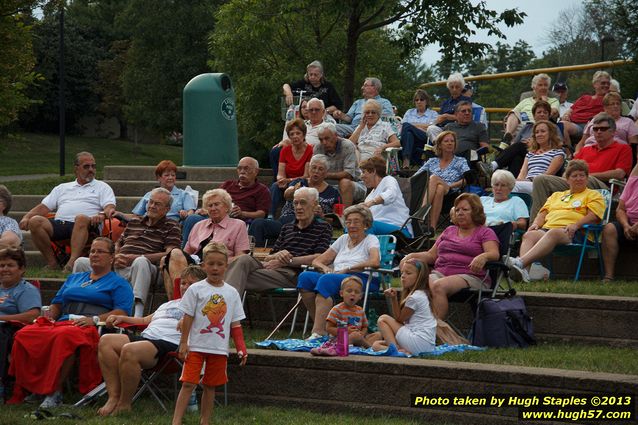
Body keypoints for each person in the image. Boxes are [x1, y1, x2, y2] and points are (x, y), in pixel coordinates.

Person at [10, 237, 133, 409]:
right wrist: (48, 315)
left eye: (100, 251)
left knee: (64, 337)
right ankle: (32, 387)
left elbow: (122, 312)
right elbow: (57, 304)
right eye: (92, 251)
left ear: (112, 257)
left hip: (91, 327)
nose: (94, 255)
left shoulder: (119, 283)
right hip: (63, 322)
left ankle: (54, 391)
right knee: (25, 333)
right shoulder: (74, 278)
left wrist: (94, 320)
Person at [96, 265, 207, 416]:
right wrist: (122, 318)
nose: (185, 287)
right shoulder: (168, 304)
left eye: (191, 284)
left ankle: (124, 405)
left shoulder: (203, 307)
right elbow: (144, 320)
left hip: (170, 344)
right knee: (106, 341)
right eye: (183, 283)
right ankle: (113, 397)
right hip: (147, 338)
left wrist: (189, 321)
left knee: (130, 350)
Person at [73, 187, 181, 317]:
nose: (152, 206)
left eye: (157, 204)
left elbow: (170, 253)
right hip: (118, 264)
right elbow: (119, 243)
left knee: (140, 262)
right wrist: (114, 257)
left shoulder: (172, 225)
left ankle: (137, 315)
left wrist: (137, 257)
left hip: (147, 269)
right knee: (81, 262)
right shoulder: (135, 221)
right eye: (150, 202)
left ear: (167, 209)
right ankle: (73, 305)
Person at [172, 242, 247, 425]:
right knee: (188, 383)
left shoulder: (232, 293)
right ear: (203, 265)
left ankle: (205, 421)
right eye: (210, 263)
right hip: (196, 346)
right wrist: (183, 342)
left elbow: (235, 324)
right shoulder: (195, 289)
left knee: (210, 386)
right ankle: (176, 421)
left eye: (219, 264)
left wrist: (241, 348)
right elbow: (188, 317)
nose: (215, 268)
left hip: (218, 348)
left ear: (226, 266)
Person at [403, 193, 499, 319]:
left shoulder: (485, 232)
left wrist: (483, 256)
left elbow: (494, 254)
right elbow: (431, 255)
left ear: (476, 212)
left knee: (438, 286)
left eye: (465, 209)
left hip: (470, 275)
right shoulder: (449, 231)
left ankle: (436, 329)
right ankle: (413, 326)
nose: (460, 213)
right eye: (457, 209)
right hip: (441, 272)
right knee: (416, 281)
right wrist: (410, 256)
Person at [508, 160, 605, 283]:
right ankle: (524, 274)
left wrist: (576, 225)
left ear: (587, 178)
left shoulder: (593, 195)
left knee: (553, 232)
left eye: (582, 175)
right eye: (574, 176)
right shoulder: (556, 196)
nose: (579, 178)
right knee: (529, 235)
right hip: (548, 230)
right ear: (567, 180)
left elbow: (594, 216)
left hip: (576, 232)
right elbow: (542, 214)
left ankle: (520, 262)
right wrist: (536, 224)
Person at [224, 187, 332, 296]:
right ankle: (226, 307)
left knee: (233, 274)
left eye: (303, 203)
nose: (298, 207)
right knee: (243, 259)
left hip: (293, 275)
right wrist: (278, 255)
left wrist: (288, 260)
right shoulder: (287, 227)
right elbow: (269, 257)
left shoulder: (323, 227)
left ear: (314, 205)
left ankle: (223, 307)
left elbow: (320, 257)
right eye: (295, 203)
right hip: (271, 269)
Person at [18, 152, 116, 271]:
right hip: (62, 225)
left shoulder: (102, 187)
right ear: (76, 169)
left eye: (93, 166)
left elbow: (110, 207)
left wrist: (101, 214)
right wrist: (27, 217)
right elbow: (43, 207)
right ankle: (53, 263)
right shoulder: (62, 188)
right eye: (86, 166)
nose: (91, 169)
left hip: (89, 226)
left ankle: (71, 264)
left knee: (81, 218)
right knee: (35, 221)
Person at [298, 204, 380, 339]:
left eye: (356, 221)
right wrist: (325, 268)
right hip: (337, 277)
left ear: (366, 225)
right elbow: (317, 261)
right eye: (348, 222)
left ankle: (319, 332)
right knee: (305, 277)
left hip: (362, 279)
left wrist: (348, 269)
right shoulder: (343, 239)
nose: (351, 225)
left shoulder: (370, 239)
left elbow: (375, 261)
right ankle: (325, 327)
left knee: (326, 280)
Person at [530, 113, 632, 219]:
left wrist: (588, 175)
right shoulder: (586, 149)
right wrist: (567, 177)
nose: (598, 132)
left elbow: (620, 173)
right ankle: (534, 226)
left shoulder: (623, 148)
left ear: (613, 132)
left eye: (603, 129)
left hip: (601, 186)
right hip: (575, 182)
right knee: (540, 180)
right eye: (595, 129)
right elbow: (569, 169)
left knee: (585, 178)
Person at [163, 189, 249, 296]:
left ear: (227, 207)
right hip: (194, 266)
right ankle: (179, 301)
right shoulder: (199, 225)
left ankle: (180, 302)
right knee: (170, 257)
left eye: (216, 204)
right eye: (209, 205)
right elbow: (186, 253)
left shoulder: (238, 225)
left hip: (217, 267)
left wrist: (213, 264)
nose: (213, 208)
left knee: (171, 257)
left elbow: (241, 256)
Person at [249, 155, 339, 247]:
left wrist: (322, 216)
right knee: (258, 223)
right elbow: (287, 195)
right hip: (286, 223)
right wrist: (294, 190)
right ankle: (256, 256)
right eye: (314, 168)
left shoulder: (333, 192)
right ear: (309, 169)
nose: (316, 171)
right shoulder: (299, 182)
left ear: (326, 173)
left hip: (311, 227)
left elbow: (337, 220)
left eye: (320, 169)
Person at [181, 157, 270, 243]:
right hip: (215, 215)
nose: (242, 172)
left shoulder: (262, 190)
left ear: (256, 171)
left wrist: (242, 213)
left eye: (247, 168)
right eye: (239, 168)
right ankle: (185, 252)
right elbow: (213, 199)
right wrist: (205, 210)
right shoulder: (228, 184)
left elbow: (261, 214)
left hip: (237, 220)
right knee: (192, 218)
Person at [481, 101, 563, 178]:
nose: (542, 114)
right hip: (526, 155)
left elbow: (559, 144)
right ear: (534, 116)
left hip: (543, 154)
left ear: (548, 116)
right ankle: (514, 184)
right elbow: (514, 144)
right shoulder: (527, 127)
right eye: (539, 112)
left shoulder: (554, 128)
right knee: (516, 156)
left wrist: (533, 143)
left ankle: (494, 165)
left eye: (545, 112)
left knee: (520, 145)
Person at [0, 247, 41, 400]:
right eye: (2, 265)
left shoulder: (25, 290)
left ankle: (3, 384)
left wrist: (2, 319)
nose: (4, 269)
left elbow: (32, 315)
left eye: (10, 265)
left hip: (11, 332)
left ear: (21, 269)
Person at [372, 258, 436, 355]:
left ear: (419, 277)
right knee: (376, 345)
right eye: (402, 273)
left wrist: (393, 299)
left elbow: (399, 319)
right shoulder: (422, 294)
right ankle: (399, 349)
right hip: (426, 345)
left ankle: (396, 351)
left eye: (408, 273)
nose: (403, 276)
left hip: (417, 342)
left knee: (383, 319)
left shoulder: (415, 298)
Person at [415, 131, 470, 234]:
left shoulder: (460, 161)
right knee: (439, 188)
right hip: (435, 191)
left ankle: (421, 213)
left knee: (434, 178)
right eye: (446, 141)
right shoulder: (432, 161)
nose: (450, 143)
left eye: (452, 141)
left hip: (452, 191)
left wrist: (450, 185)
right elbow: (417, 176)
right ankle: (432, 228)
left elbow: (467, 179)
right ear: (439, 145)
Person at [310, 276, 371, 356]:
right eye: (349, 291)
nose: (353, 294)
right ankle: (369, 348)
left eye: (356, 292)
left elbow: (365, 327)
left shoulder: (360, 311)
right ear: (341, 293)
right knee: (355, 336)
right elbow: (328, 328)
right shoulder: (337, 310)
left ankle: (364, 344)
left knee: (377, 335)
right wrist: (346, 331)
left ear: (360, 296)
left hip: (357, 339)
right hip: (339, 339)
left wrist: (362, 334)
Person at [313, 123, 366, 207]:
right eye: (321, 139)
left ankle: (345, 216)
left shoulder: (347, 146)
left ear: (335, 136)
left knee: (344, 182)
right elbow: (314, 170)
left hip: (353, 184)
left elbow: (348, 175)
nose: (324, 142)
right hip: (326, 185)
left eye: (327, 138)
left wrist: (325, 175)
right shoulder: (318, 148)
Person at [601, 162, 638, 282]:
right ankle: (609, 276)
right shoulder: (633, 181)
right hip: (629, 223)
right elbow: (620, 209)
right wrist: (626, 225)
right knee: (609, 228)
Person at [270, 118, 313, 217]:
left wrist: (288, 180)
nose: (295, 136)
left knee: (295, 183)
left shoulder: (310, 150)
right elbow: (280, 173)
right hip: (287, 183)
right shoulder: (285, 150)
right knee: (275, 186)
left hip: (302, 182)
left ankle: (289, 212)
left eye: (298, 133)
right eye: (292, 134)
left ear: (304, 134)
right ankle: (270, 215)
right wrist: (281, 180)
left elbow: (306, 175)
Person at [501, 73, 560, 146]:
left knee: (515, 148)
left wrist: (544, 101)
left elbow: (553, 113)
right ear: (534, 87)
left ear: (548, 87)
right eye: (540, 85)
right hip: (521, 127)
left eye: (545, 85)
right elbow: (513, 113)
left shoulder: (553, 100)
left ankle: (504, 147)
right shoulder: (526, 101)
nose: (543, 87)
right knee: (514, 113)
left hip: (538, 126)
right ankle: (507, 137)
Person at [359, 156, 412, 236]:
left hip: (400, 229)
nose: (361, 176)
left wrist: (371, 203)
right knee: (352, 226)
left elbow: (391, 194)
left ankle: (366, 247)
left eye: (363, 172)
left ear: (373, 171)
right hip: (379, 230)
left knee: (368, 225)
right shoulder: (369, 196)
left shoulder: (388, 180)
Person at [510, 121, 566, 194]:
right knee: (505, 184)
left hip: (542, 184)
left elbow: (548, 174)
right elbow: (522, 173)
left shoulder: (558, 153)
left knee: (512, 186)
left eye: (543, 131)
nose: (539, 134)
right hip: (527, 183)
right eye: (537, 132)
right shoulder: (530, 154)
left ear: (551, 134)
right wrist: (519, 180)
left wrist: (529, 180)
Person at [130, 160, 195, 222]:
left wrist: (185, 215)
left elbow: (191, 213)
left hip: (170, 227)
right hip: (148, 226)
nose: (170, 178)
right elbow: (136, 215)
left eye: (173, 175)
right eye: (167, 175)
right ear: (159, 177)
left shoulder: (183, 194)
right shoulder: (149, 194)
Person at [562, 71, 611, 139]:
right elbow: (570, 110)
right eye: (603, 83)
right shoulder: (585, 97)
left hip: (588, 126)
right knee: (555, 125)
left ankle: (567, 149)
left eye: (608, 83)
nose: (606, 85)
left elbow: (610, 114)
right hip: (572, 123)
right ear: (595, 84)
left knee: (562, 125)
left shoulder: (609, 99)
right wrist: (566, 115)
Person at [426, 72, 472, 142]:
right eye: (452, 87)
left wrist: (447, 116)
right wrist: (438, 120)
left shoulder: (466, 100)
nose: (454, 89)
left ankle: (440, 147)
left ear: (461, 88)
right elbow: (440, 118)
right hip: (444, 129)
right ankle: (439, 147)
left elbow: (466, 117)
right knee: (431, 128)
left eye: (457, 87)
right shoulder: (445, 103)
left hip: (459, 128)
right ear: (449, 88)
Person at [400, 89, 439, 168]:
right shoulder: (409, 112)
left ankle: (406, 158)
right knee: (408, 133)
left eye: (421, 99)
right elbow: (402, 129)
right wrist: (420, 127)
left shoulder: (433, 114)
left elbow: (430, 128)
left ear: (426, 101)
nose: (419, 102)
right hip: (410, 141)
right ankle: (406, 159)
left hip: (425, 139)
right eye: (416, 100)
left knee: (407, 126)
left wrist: (412, 126)